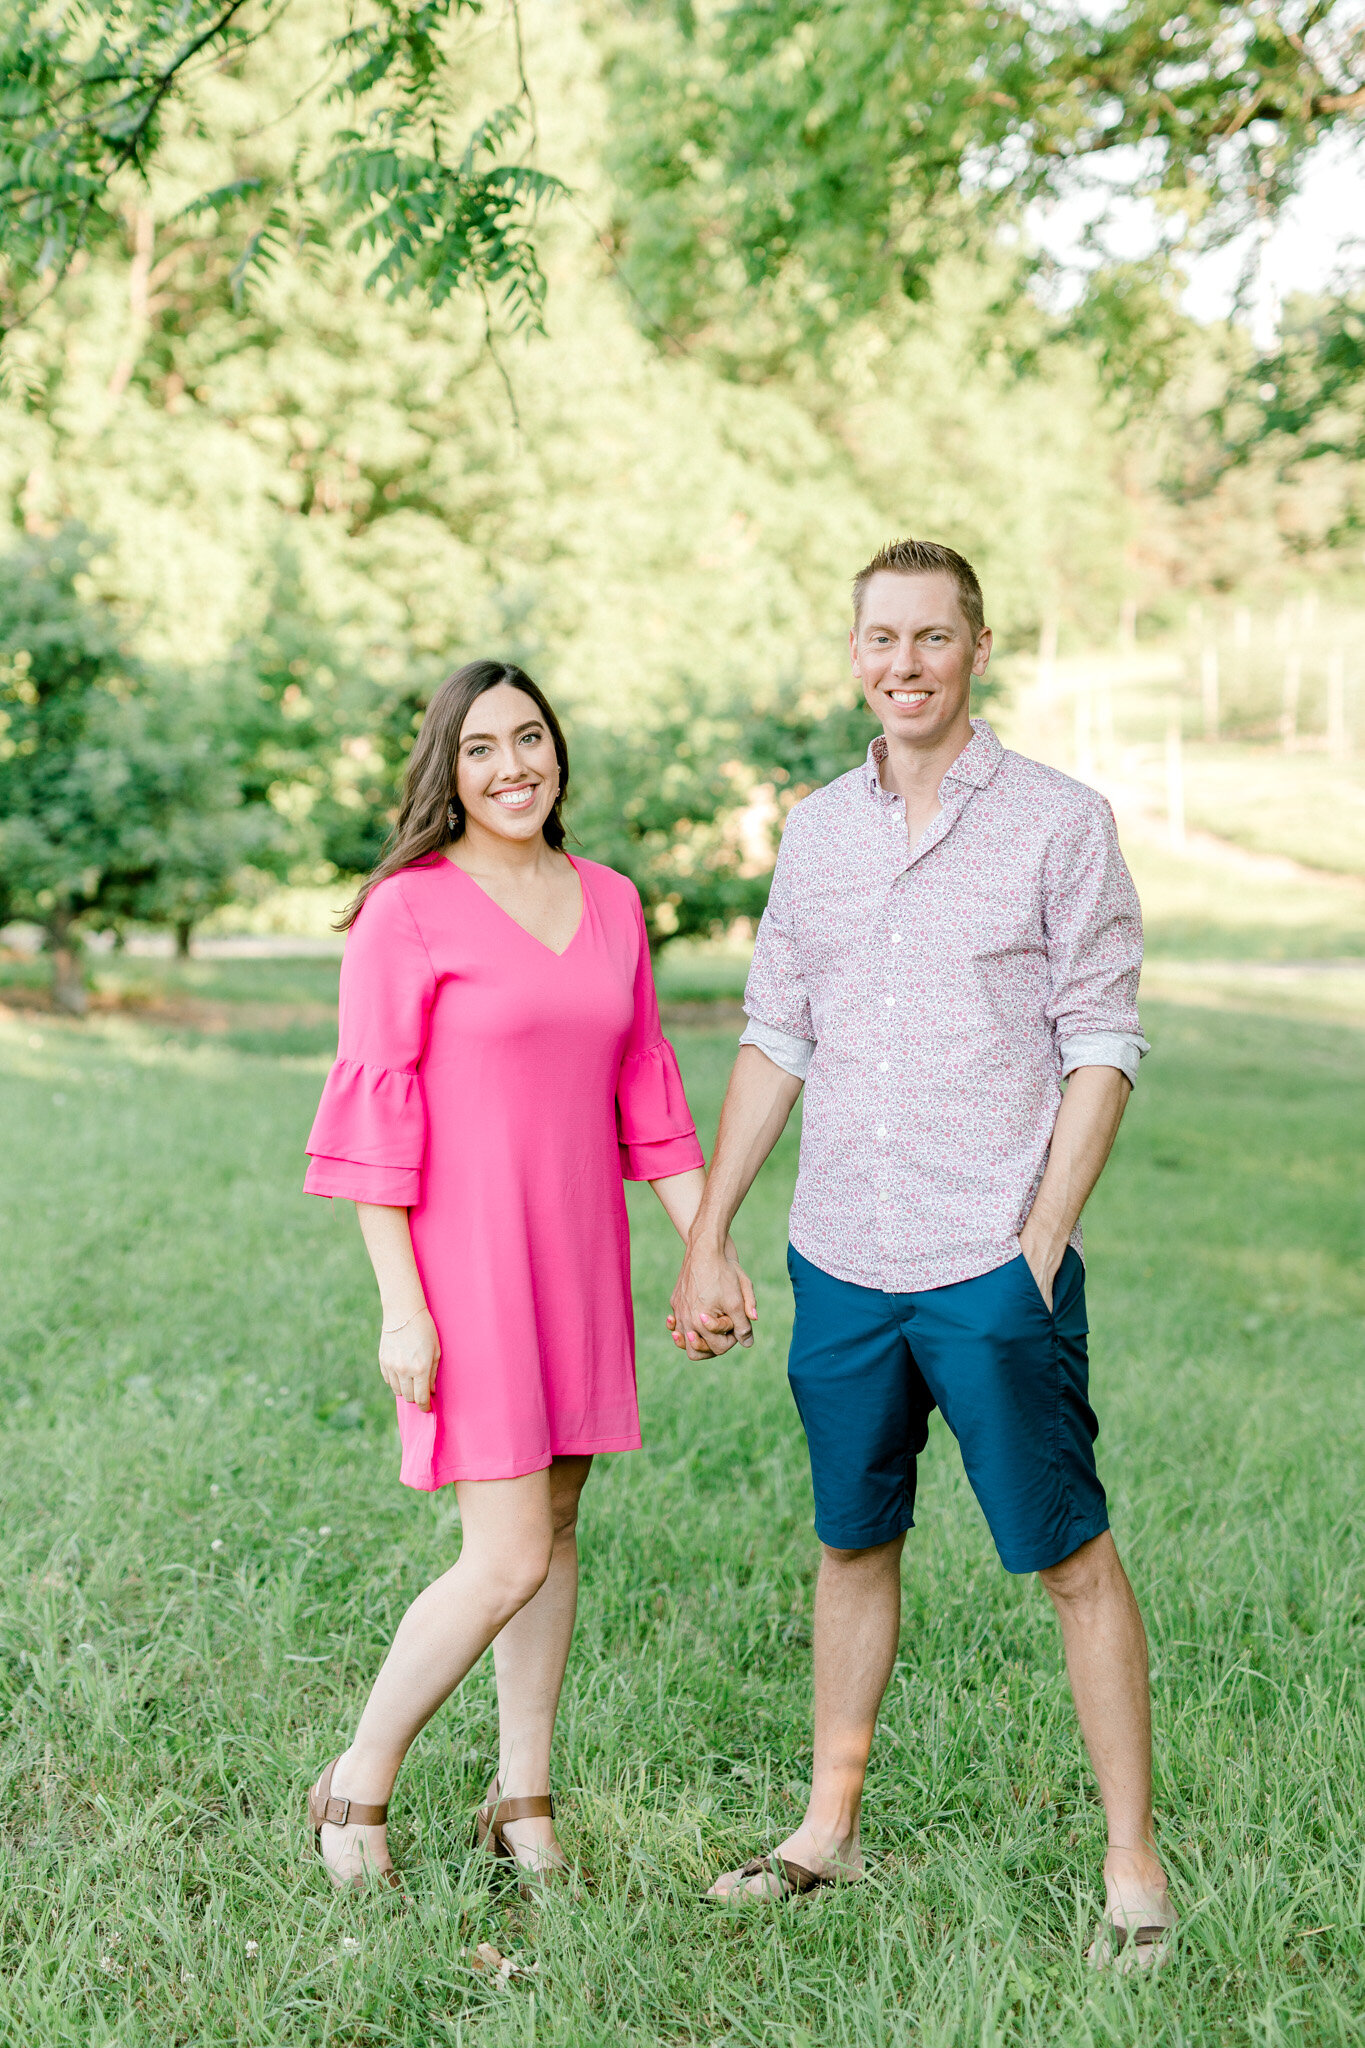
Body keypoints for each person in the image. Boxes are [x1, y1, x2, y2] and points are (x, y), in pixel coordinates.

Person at [669, 539, 1176, 1969]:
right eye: (880, 639)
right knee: (851, 1541)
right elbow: (778, 1034)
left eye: (931, 639)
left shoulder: (1061, 822)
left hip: (986, 1266)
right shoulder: (816, 829)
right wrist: (709, 1232)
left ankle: (1130, 1859)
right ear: (853, 654)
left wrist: (1041, 1237)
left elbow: (1102, 1037)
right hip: (839, 1257)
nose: (904, 664)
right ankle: (824, 1830)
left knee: (1067, 1553)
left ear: (978, 647)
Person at [303, 658, 741, 1890]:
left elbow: (644, 1083)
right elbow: (373, 1114)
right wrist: (402, 1301)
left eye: (531, 737)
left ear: (560, 752)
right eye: (482, 746)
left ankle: (524, 1795)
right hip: (465, 1260)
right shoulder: (409, 909)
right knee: (502, 1553)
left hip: (577, 1250)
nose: (513, 765)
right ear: (447, 769)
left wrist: (704, 1242)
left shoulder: (609, 898)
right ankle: (356, 1786)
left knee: (555, 1526)